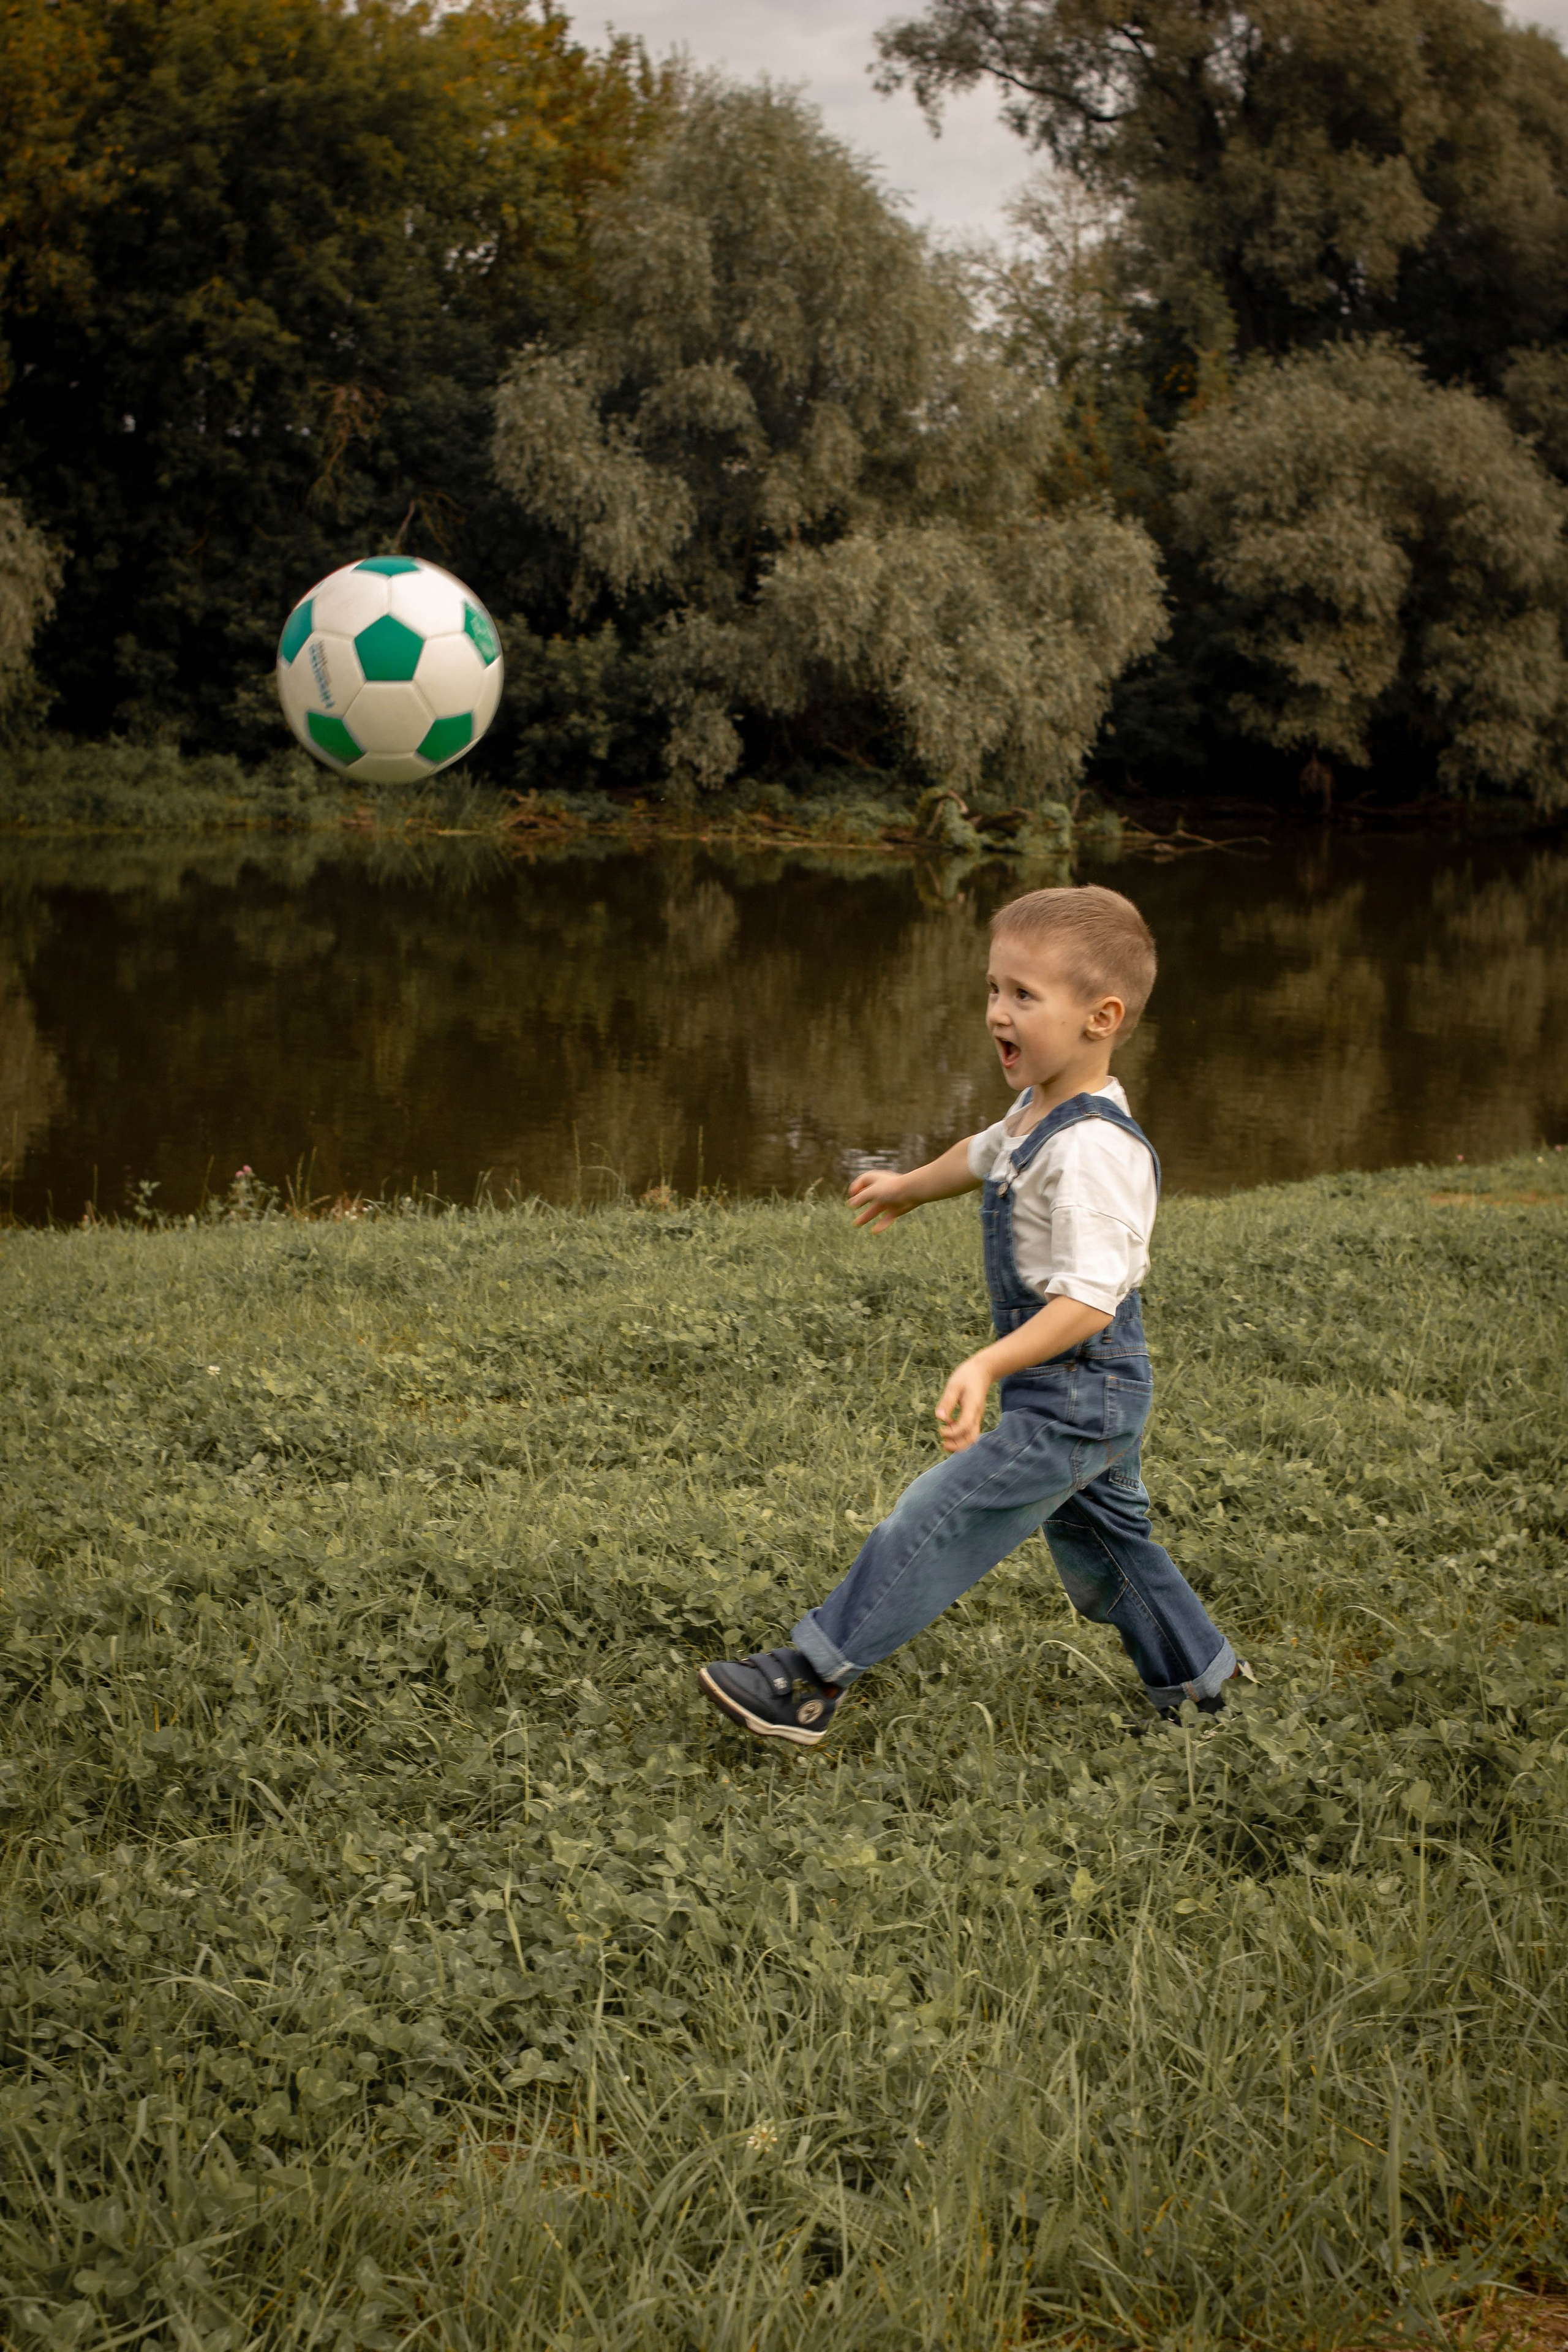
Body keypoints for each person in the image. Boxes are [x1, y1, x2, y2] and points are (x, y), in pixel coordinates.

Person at [698, 883, 1250, 1746]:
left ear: (1100, 1018)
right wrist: (912, 1187)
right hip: (1075, 1391)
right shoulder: (1038, 1113)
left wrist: (988, 1364)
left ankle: (807, 1681)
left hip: (1078, 1390)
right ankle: (1202, 1687)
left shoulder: (1095, 1151)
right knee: (1108, 1543)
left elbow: (1089, 1302)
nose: (998, 1011)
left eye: (1024, 996)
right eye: (995, 989)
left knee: (940, 1513)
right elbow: (981, 1152)